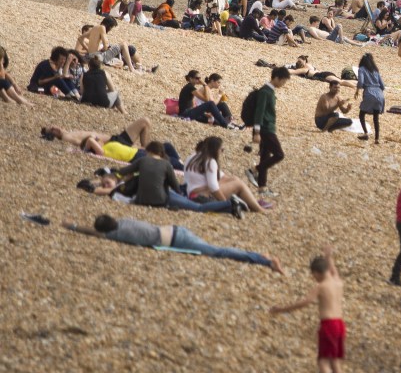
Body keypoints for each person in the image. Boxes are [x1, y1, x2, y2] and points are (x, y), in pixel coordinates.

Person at [61, 215, 285, 272]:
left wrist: (72, 227)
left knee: (218, 252)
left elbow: (92, 233)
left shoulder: (116, 235)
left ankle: (264, 261)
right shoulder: (124, 222)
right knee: (217, 249)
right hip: (175, 230)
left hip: (178, 240)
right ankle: (260, 257)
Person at [269, 246, 346, 373]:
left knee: (323, 362)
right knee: (335, 361)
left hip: (328, 325)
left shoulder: (321, 286)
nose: (314, 278)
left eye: (313, 275)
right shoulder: (338, 282)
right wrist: (328, 256)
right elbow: (333, 269)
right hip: (340, 325)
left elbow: (305, 302)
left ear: (316, 273)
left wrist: (281, 309)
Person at [184, 136, 269, 214]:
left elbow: (221, 177)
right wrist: (225, 203)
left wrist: (232, 180)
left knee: (234, 179)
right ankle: (259, 209)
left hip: (192, 193)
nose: (222, 152)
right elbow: (213, 186)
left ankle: (251, 201)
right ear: (215, 149)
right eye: (221, 149)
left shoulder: (193, 156)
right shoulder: (210, 161)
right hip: (201, 197)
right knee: (238, 185)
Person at [246, 67, 291, 198]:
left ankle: (262, 187)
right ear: (277, 78)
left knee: (265, 156)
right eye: (283, 81)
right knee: (279, 154)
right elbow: (259, 112)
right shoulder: (265, 92)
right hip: (265, 129)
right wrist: (256, 132)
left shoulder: (269, 91)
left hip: (268, 128)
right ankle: (253, 170)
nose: (283, 84)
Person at [355, 53, 385, 143]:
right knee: (376, 118)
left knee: (361, 114)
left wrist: (357, 91)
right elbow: (383, 86)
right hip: (380, 94)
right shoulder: (376, 70)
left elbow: (360, 82)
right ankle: (377, 139)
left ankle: (366, 134)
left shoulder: (361, 69)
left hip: (369, 92)